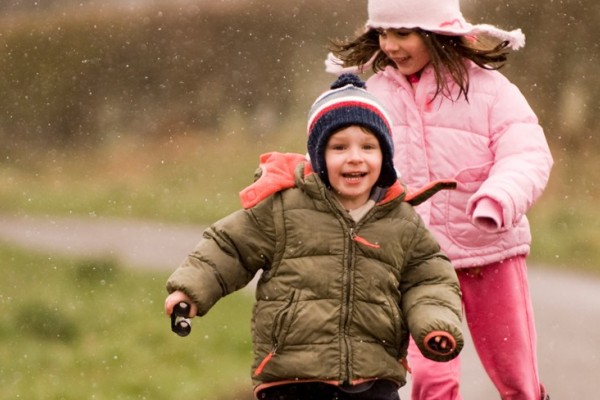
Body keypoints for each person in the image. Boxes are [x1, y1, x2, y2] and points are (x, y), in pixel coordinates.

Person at [165, 74, 464, 400]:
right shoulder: (283, 207)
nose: (355, 157)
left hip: (374, 374)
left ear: (385, 156)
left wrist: (434, 323)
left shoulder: (402, 221)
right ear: (319, 156)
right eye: (339, 147)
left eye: (368, 147)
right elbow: (230, 247)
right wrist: (190, 290)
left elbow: (429, 281)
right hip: (293, 375)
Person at [324, 1, 554, 400]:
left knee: (517, 377)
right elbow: (349, 158)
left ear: (437, 32)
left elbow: (528, 152)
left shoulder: (489, 90)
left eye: (403, 33)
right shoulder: (375, 95)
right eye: (382, 33)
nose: (390, 45)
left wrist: (499, 198)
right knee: (432, 378)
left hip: (489, 251)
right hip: (414, 262)